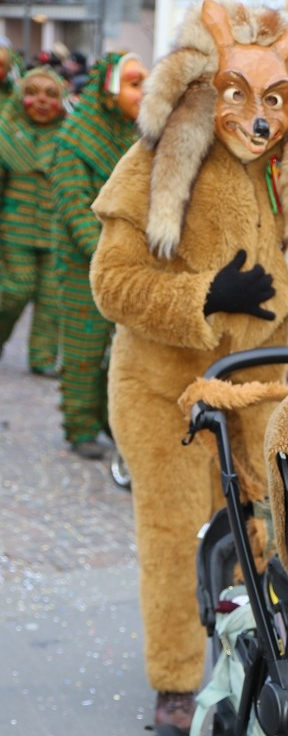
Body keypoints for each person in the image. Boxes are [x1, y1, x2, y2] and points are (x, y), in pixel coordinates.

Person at [90, 0, 288, 731]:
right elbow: (111, 282)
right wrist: (203, 295)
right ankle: (175, 682)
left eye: (274, 98)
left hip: (260, 385)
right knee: (177, 536)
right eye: (240, 95)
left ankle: (255, 653)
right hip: (163, 390)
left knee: (271, 530)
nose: (259, 118)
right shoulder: (156, 157)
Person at [49, 51, 147, 459]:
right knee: (83, 349)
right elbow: (74, 206)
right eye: (134, 83)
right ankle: (79, 425)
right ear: (109, 89)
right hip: (82, 264)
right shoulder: (74, 139)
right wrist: (105, 256)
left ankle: (111, 420)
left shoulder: (135, 136)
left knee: (119, 351)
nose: (143, 92)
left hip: (124, 265)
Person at [0, 66, 67, 376]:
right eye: (32, 92)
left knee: (52, 299)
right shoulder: (5, 135)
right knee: (15, 290)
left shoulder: (70, 139)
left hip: (55, 232)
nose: (41, 100)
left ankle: (42, 357)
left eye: (50, 94)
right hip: (15, 230)